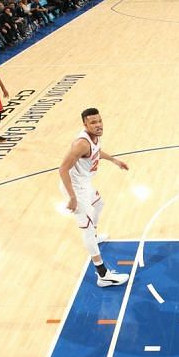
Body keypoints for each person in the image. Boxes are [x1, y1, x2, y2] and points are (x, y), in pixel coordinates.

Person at [59, 108, 130, 288]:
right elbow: (62, 169)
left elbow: (97, 151)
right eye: (93, 122)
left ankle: (94, 236)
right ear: (85, 124)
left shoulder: (94, 138)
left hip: (85, 184)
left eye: (99, 121)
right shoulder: (81, 144)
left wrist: (114, 160)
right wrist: (72, 197)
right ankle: (103, 275)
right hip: (75, 189)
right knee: (87, 229)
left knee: (99, 204)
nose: (98, 125)